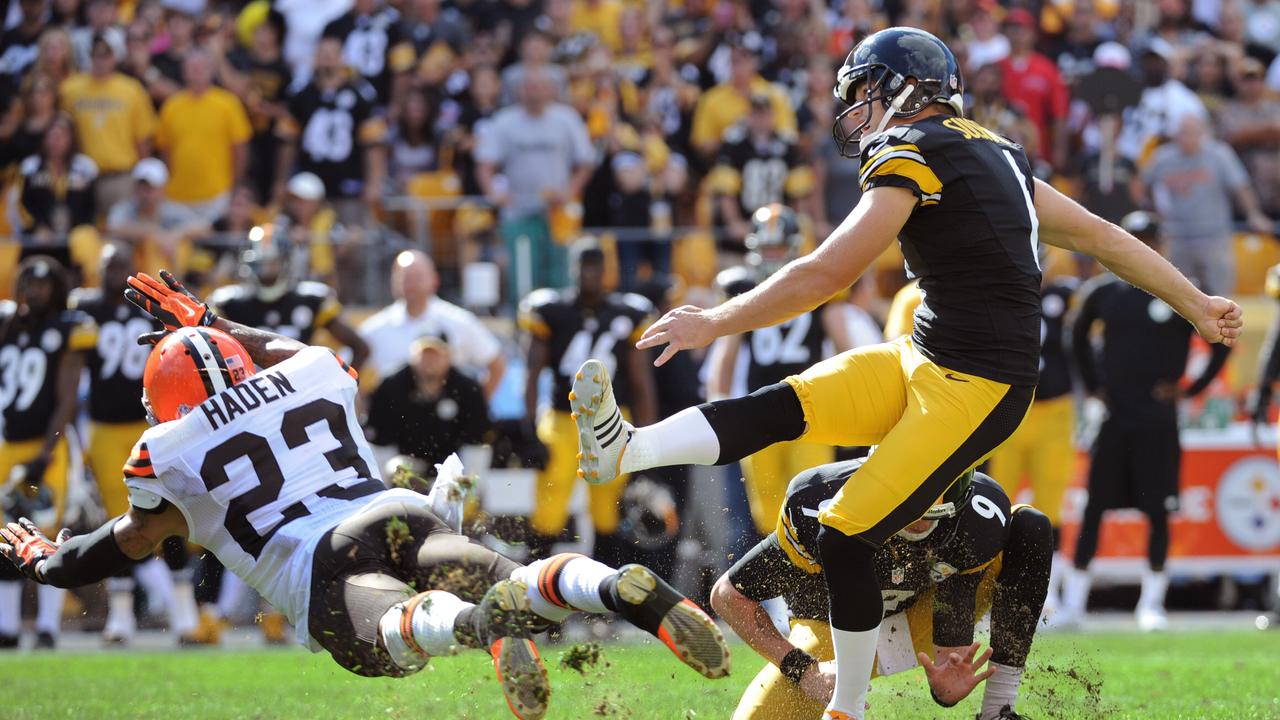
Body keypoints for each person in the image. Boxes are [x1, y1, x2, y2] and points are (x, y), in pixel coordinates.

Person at [572, 27, 1242, 720]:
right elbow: (1102, 237)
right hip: (928, 355)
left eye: (863, 90)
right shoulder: (998, 153)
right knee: (786, 405)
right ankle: (628, 449)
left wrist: (713, 320)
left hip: (976, 383)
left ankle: (849, 708)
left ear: (900, 89)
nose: (855, 108)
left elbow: (828, 271)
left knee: (845, 530)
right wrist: (1193, 302)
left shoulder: (912, 149)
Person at [0, 270, 728, 720]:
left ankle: (479, 630)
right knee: (516, 579)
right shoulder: (311, 365)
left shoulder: (164, 449)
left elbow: (124, 542)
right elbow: (284, 348)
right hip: (397, 508)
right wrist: (212, 322)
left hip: (321, 557)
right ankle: (617, 588)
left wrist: (45, 561)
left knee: (392, 638)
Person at [713, 461, 1049, 720]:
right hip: (831, 637)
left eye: (933, 515)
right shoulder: (821, 504)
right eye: (909, 512)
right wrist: (803, 670)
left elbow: (951, 641)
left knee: (1028, 528)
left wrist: (947, 685)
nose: (918, 525)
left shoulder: (977, 519)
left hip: (920, 616)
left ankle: (999, 711)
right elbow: (728, 595)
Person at [1061, 211, 1231, 632]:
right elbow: (1076, 337)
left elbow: (1222, 337)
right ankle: (1073, 605)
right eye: (1134, 238)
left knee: (1158, 509)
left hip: (1157, 418)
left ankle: (1151, 604)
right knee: (1096, 506)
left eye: (1148, 239)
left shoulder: (1179, 292)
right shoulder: (1103, 292)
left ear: (1161, 244)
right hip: (1115, 414)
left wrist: (1189, 388)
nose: (1142, 245)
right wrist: (1095, 386)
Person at [69, 244, 197, 644]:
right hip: (106, 429)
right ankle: (121, 615)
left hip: (152, 424)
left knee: (172, 506)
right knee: (117, 517)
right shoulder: (85, 308)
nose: (115, 272)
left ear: (132, 267)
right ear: (100, 269)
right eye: (109, 265)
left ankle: (184, 612)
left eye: (122, 265)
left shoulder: (148, 303)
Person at [706, 205, 849, 536]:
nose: (772, 255)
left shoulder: (818, 286)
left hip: (811, 409)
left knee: (815, 502)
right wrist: (718, 409)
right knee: (767, 517)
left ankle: (815, 581)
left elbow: (846, 348)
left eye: (778, 247)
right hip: (759, 414)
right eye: (767, 247)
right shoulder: (743, 288)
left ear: (795, 246)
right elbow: (726, 356)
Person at [518, 246, 657, 561]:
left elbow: (641, 382)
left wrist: (648, 437)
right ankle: (535, 587)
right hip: (561, 418)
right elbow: (531, 373)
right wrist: (527, 429)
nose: (590, 273)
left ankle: (606, 596)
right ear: (573, 268)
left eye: (596, 266)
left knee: (608, 509)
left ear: (606, 269)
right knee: (549, 504)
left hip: (611, 419)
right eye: (584, 265)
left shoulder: (627, 312)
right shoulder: (552, 310)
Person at [0, 256, 95, 649]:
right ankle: (6, 627)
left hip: (46, 448)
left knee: (49, 534)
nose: (35, 291)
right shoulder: (6, 324)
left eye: (43, 284)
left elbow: (66, 401)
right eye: (29, 283)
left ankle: (47, 628)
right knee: (4, 535)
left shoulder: (68, 328)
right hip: (7, 444)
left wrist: (45, 453)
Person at [986, 252, 1077, 615]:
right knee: (994, 505)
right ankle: (990, 590)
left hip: (1054, 411)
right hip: (1009, 410)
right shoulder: (995, 294)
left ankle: (1049, 593)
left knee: (1050, 505)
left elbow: (1088, 335)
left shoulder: (1067, 296)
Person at [474, 66, 595, 303]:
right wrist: (494, 193)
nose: (534, 92)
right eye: (529, 87)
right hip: (519, 211)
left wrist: (570, 191)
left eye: (539, 86)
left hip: (558, 212)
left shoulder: (566, 119)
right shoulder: (505, 121)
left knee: (562, 273)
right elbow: (484, 164)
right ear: (519, 91)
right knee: (522, 274)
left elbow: (586, 161)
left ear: (550, 89)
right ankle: (523, 323)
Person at [1133, 112, 1271, 297]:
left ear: (1202, 133)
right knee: (1175, 296)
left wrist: (1253, 213)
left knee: (1220, 296)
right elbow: (1142, 185)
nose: (1187, 139)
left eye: (1192, 133)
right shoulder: (1164, 158)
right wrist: (1152, 210)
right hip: (1177, 237)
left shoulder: (1219, 154)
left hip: (1214, 237)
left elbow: (1240, 186)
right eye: (1183, 133)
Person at [208, 228, 369, 370]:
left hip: (298, 391)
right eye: (260, 264)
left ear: (286, 261)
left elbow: (360, 347)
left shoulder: (311, 299)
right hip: (249, 393)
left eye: (272, 263)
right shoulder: (228, 303)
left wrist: (340, 382)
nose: (266, 272)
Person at [360, 250, 506, 397]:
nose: (410, 284)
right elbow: (347, 371)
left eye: (417, 277)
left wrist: (475, 408)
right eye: (404, 277)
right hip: (392, 416)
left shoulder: (459, 321)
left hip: (449, 414)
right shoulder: (374, 329)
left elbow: (496, 364)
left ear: (434, 280)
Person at [276, 37, 387, 227]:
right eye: (322, 54)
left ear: (342, 57)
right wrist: (280, 180)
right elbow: (288, 142)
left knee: (351, 238)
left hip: (349, 183)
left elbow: (373, 144)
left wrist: (374, 183)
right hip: (309, 184)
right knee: (309, 237)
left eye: (331, 55)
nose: (326, 60)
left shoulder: (361, 94)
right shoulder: (301, 94)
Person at [59, 32, 156, 214]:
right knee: (83, 230)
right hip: (81, 176)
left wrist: (142, 177)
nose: (101, 60)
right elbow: (62, 133)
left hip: (121, 176)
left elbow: (142, 139)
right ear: (90, 55)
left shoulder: (132, 89)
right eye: (97, 54)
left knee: (118, 233)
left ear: (115, 57)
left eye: (106, 54)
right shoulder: (70, 89)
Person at [154, 49, 253, 223]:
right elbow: (165, 150)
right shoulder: (171, 106)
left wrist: (235, 185)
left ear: (211, 71)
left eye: (201, 68)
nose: (196, 72)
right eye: (191, 68)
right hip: (177, 196)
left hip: (217, 194)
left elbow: (240, 150)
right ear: (184, 72)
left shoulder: (228, 104)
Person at [365, 335, 491, 470]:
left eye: (436, 355)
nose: (430, 361)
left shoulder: (467, 388)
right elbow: (379, 440)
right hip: (405, 463)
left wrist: (464, 481)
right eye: (424, 355)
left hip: (454, 465)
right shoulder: (391, 386)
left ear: (449, 357)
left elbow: (476, 439)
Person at [707, 96, 815, 246]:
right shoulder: (734, 146)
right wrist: (734, 223)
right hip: (744, 227)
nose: (760, 120)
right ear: (748, 116)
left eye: (764, 114)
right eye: (756, 115)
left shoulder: (788, 145)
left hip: (779, 228)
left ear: (773, 116)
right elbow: (726, 191)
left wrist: (793, 223)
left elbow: (799, 193)